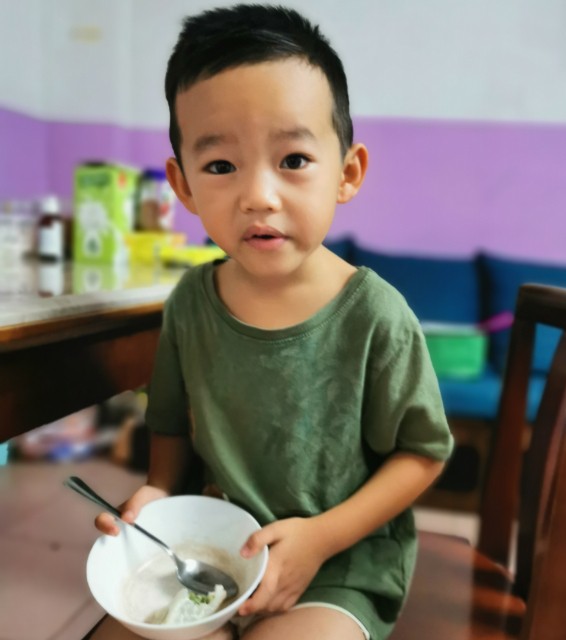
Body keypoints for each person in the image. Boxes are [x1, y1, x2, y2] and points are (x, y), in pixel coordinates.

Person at [92, 4, 454, 640]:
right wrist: (157, 496)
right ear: (183, 186)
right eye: (220, 166)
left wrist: (320, 539)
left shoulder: (376, 315)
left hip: (339, 563)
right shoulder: (190, 304)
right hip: (215, 548)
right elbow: (170, 425)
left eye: (293, 159)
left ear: (346, 173)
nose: (258, 196)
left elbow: (422, 454)